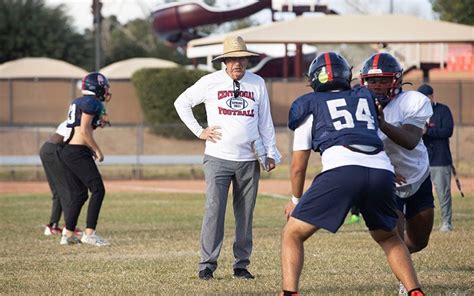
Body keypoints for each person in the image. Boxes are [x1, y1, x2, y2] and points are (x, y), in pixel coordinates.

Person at [281, 52, 425, 296]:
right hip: (380, 170)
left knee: (292, 234)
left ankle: (289, 293)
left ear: (315, 79)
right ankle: (415, 291)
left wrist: (295, 199)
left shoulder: (310, 104)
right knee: (389, 237)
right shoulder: (365, 98)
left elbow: (298, 165)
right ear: (348, 77)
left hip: (342, 170)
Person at [174, 35, 281, 280]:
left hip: (249, 159)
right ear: (225, 61)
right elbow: (182, 103)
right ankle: (207, 264)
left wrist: (271, 152)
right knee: (214, 210)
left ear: (247, 61)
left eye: (242, 59)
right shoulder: (210, 81)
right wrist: (200, 131)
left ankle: (241, 265)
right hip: (217, 158)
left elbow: (265, 121)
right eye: (232, 59)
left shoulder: (257, 83)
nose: (237, 64)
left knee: (245, 214)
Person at [360, 52, 434, 295]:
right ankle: (407, 283)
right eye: (372, 81)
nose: (377, 86)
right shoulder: (357, 104)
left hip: (417, 175)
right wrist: (382, 167)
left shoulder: (413, 100)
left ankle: (402, 259)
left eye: (383, 80)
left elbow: (411, 140)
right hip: (384, 177)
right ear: (363, 82)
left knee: (420, 241)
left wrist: (381, 123)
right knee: (395, 233)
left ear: (398, 80)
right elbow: (354, 143)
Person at [59, 72, 112, 246]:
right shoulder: (92, 102)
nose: (106, 90)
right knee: (98, 189)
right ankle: (89, 233)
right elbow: (84, 131)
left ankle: (67, 234)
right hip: (77, 151)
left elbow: (78, 129)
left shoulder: (79, 101)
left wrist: (97, 123)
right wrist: (97, 150)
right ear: (96, 87)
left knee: (79, 194)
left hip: (68, 150)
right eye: (104, 87)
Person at [418, 84, 454, 232]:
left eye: (426, 98)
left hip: (440, 158)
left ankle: (447, 222)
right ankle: (415, 224)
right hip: (421, 160)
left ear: (432, 97)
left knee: (443, 192)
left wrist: (428, 131)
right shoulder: (415, 112)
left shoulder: (443, 110)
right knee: (418, 193)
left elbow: (447, 131)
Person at [40, 120, 75, 236]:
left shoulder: (70, 119)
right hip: (54, 150)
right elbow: (71, 143)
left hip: (47, 149)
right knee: (66, 190)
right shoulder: (80, 121)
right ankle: (69, 227)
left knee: (59, 192)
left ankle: (53, 226)